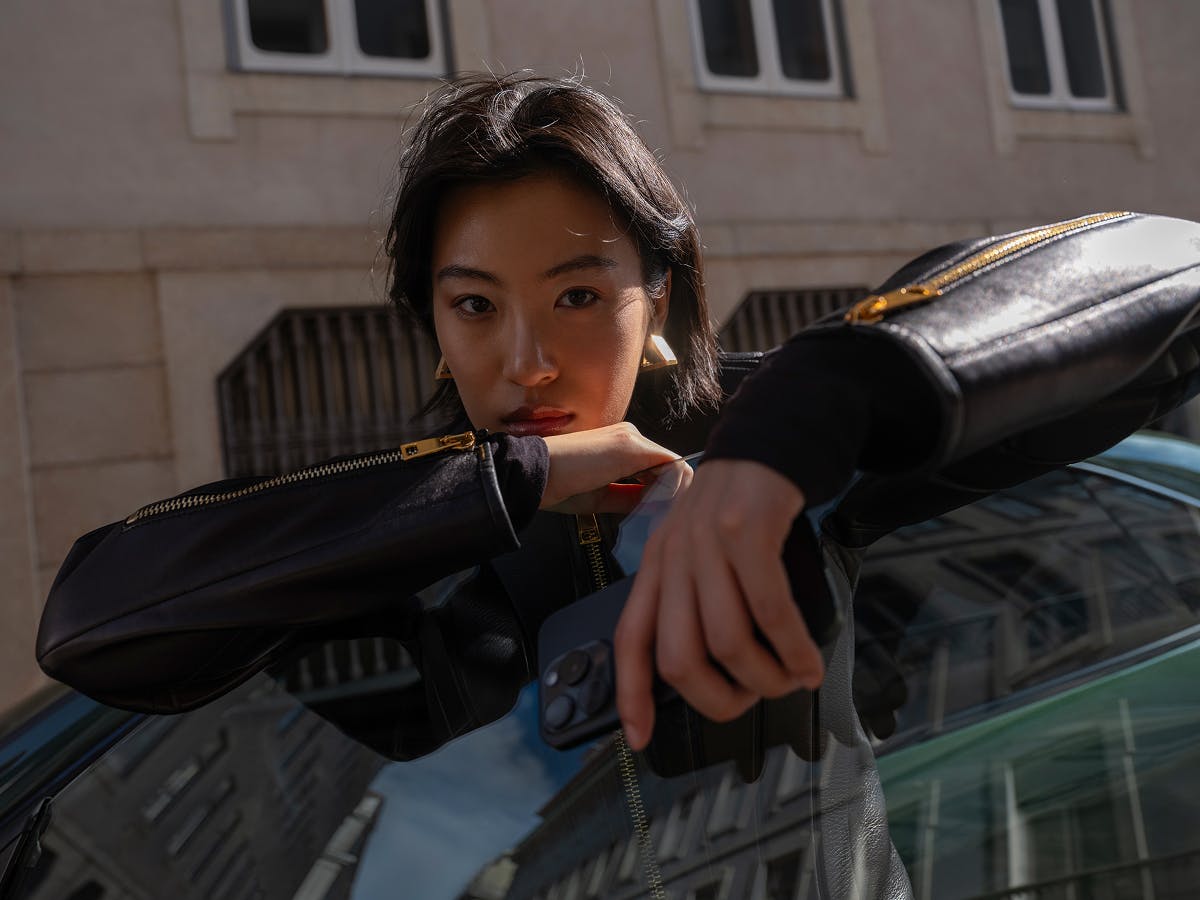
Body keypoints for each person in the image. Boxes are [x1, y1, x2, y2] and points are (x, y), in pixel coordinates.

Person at [34, 72, 1200, 897]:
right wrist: (514, 479)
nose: (528, 361)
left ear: (662, 301)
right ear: (432, 325)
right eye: (474, 305)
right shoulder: (411, 546)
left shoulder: (780, 439)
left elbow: (1168, 262)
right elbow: (91, 619)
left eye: (579, 296)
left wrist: (803, 422)